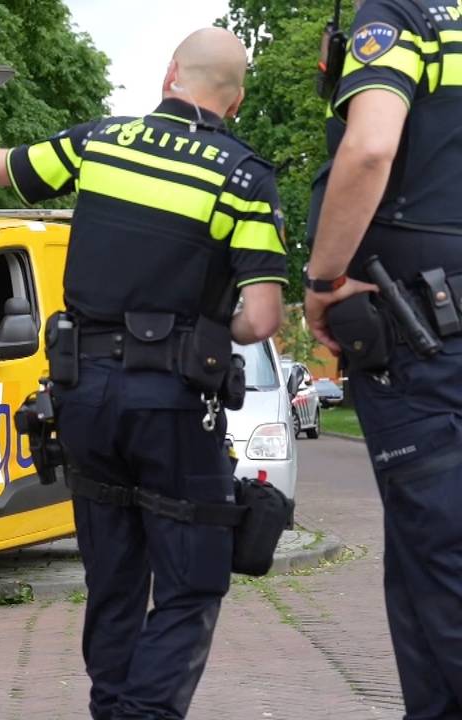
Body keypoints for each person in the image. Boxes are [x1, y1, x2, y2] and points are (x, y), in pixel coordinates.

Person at [0, 28, 286, 719]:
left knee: (112, 578)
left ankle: (113, 707)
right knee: (191, 583)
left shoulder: (100, 143)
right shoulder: (244, 177)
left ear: (170, 74)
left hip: (85, 398)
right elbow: (261, 317)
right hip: (171, 406)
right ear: (238, 100)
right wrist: (194, 322)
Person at [304, 0, 462, 715]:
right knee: (422, 569)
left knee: (440, 564)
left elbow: (370, 148)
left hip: (431, 345)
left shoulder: (403, 16)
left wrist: (323, 280)